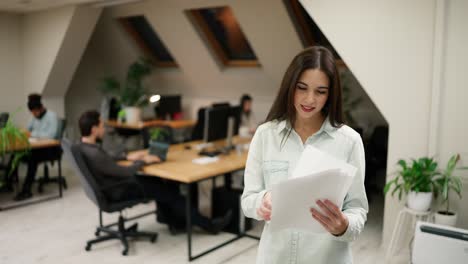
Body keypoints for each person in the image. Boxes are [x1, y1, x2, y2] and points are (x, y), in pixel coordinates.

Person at [241, 46, 368, 264]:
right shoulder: (265, 135)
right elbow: (248, 200)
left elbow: (357, 209)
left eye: (320, 91)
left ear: (330, 95)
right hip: (275, 258)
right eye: (302, 88)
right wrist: (262, 203)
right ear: (290, 87)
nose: (310, 99)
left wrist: (344, 226)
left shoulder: (349, 142)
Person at [77, 110, 231, 234]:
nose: (104, 129)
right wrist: (144, 160)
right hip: (121, 189)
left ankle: (174, 222)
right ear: (94, 129)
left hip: (114, 187)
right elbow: (126, 172)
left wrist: (128, 155)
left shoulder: (84, 148)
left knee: (162, 186)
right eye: (102, 126)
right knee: (169, 192)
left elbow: (108, 159)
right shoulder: (95, 154)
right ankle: (209, 225)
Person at [14, 94, 60, 201]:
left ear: (41, 108)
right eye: (32, 112)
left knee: (32, 158)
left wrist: (33, 134)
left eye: (35, 112)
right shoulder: (34, 117)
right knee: (16, 154)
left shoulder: (52, 116)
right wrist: (24, 132)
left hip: (51, 149)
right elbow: (27, 130)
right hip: (37, 148)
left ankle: (26, 190)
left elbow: (51, 135)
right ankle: (7, 183)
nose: (34, 114)